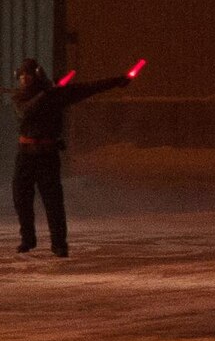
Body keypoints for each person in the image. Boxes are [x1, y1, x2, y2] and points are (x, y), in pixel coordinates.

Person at [10, 59, 133, 257]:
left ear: (37, 76)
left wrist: (117, 81)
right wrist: (46, 94)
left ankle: (59, 244)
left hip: (47, 155)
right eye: (22, 76)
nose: (24, 80)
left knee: (53, 202)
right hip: (25, 155)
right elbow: (25, 112)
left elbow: (87, 89)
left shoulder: (56, 95)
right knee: (21, 199)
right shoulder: (20, 97)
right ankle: (27, 239)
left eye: (28, 75)